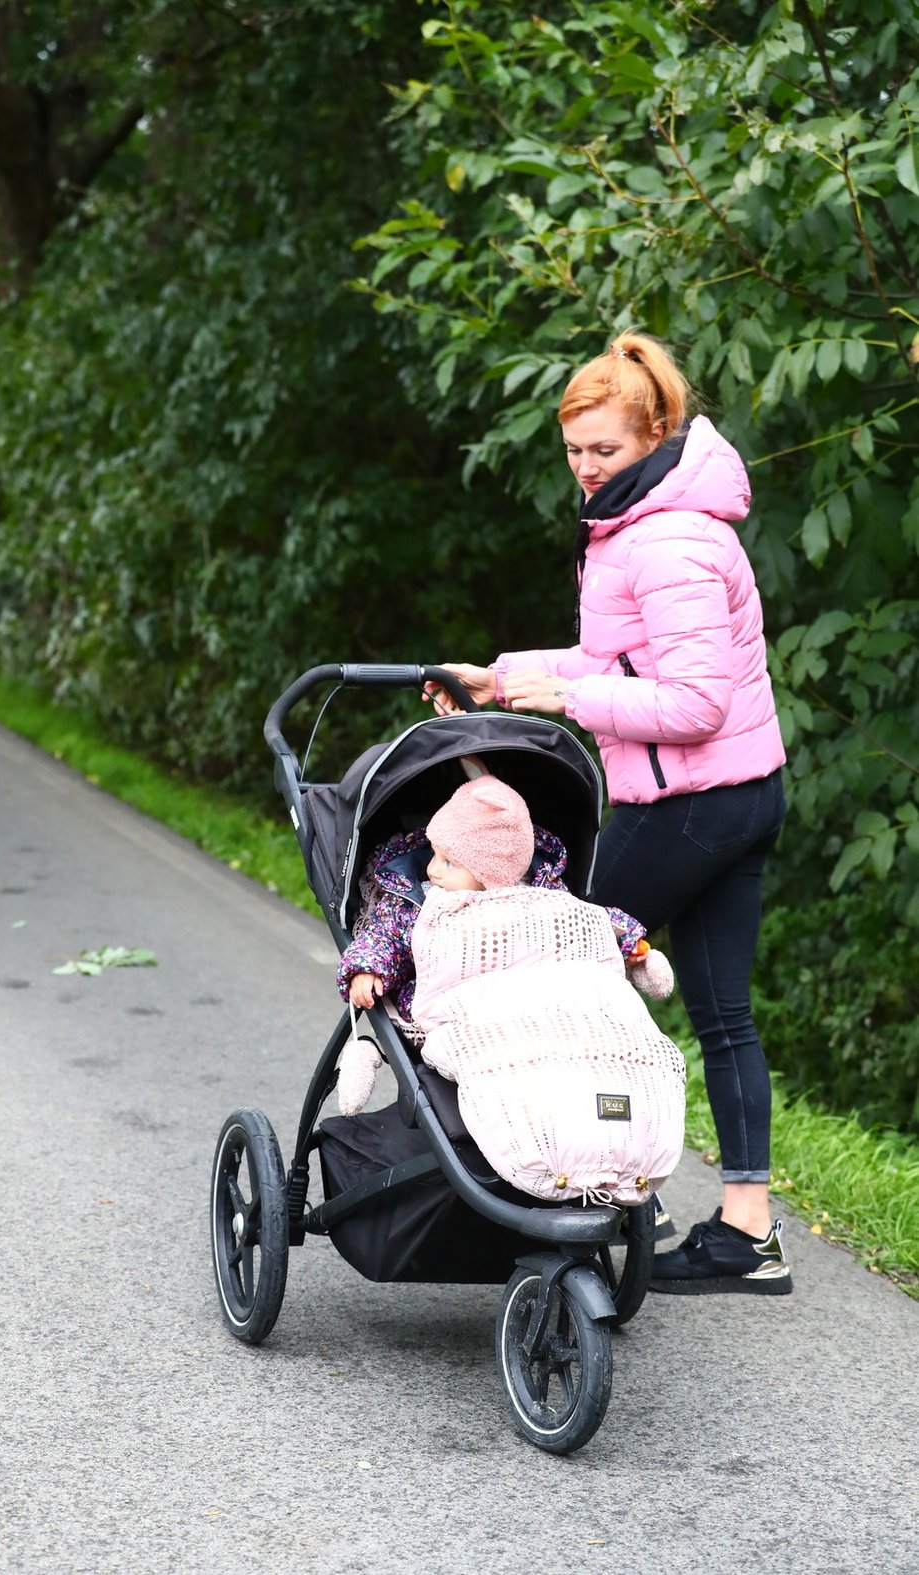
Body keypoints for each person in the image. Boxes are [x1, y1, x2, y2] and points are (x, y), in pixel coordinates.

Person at [425, 331, 792, 1294]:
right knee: (719, 1011)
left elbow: (692, 704)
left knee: (560, 958)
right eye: (575, 452)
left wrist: (562, 703)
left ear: (658, 432)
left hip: (691, 803)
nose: (586, 470)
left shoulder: (668, 539)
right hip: (740, 793)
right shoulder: (648, 520)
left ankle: (602, 1189)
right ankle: (744, 1234)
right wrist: (504, 678)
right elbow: (613, 664)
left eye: (606, 452)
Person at [338, 776, 684, 1204]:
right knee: (501, 1065)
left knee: (600, 1038)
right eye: (435, 854)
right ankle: (536, 1151)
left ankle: (594, 1147)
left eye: (449, 862)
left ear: (489, 872)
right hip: (462, 1011)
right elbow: (385, 935)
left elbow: (589, 918)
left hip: (543, 1013)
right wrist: (367, 969)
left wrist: (632, 945)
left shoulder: (539, 898)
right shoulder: (423, 900)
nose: (431, 868)